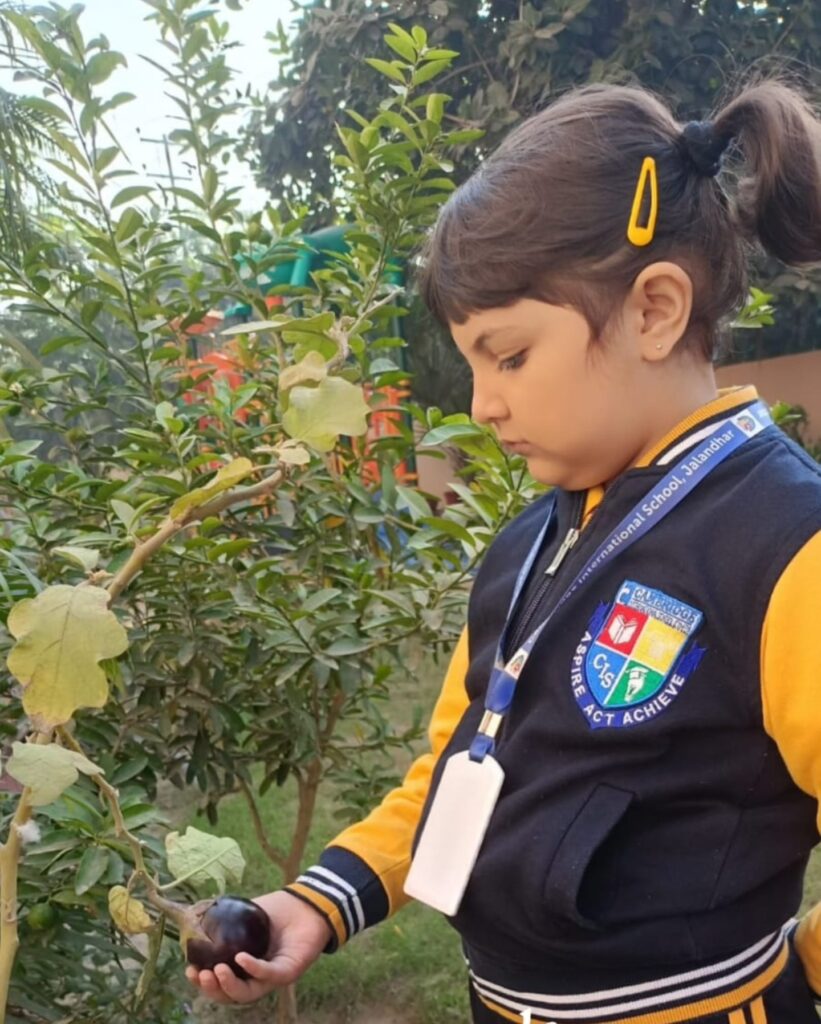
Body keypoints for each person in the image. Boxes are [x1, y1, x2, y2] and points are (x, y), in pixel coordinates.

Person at [187, 77, 821, 1023]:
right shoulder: (530, 542)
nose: (482, 404)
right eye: (473, 363)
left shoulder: (784, 544)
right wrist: (319, 901)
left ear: (653, 310)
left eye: (510, 355)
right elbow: (457, 760)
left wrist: (793, 981)